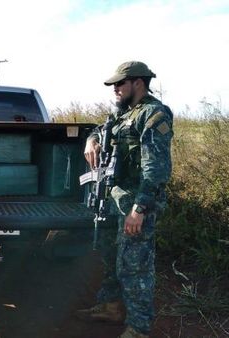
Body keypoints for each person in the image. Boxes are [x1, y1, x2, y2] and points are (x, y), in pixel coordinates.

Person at [77, 61, 173, 338]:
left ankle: (139, 327)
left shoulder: (154, 114)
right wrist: (91, 140)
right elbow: (102, 129)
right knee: (110, 258)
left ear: (138, 83)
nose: (115, 89)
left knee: (135, 267)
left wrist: (139, 208)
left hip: (135, 204)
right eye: (114, 85)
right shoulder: (123, 114)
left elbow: (156, 168)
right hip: (113, 200)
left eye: (120, 84)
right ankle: (111, 307)